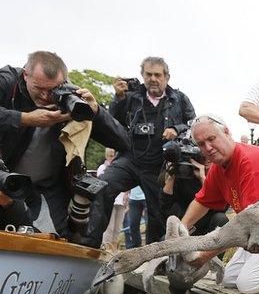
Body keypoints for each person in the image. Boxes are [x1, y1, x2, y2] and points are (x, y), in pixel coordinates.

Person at [0, 51, 129, 237]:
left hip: (50, 189)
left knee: (54, 240)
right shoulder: (7, 81)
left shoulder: (72, 97)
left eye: (51, 90)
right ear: (25, 75)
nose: (45, 96)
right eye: (38, 88)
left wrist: (96, 111)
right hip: (8, 180)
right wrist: (25, 118)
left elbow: (123, 141)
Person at [81, 56, 195, 248]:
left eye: (157, 75)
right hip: (130, 158)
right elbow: (111, 121)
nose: (153, 79)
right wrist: (118, 99)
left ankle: (154, 257)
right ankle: (89, 244)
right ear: (142, 75)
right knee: (103, 187)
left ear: (167, 77)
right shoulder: (131, 97)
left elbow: (193, 125)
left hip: (160, 165)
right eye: (148, 74)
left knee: (158, 211)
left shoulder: (179, 99)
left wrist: (177, 128)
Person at [181, 114, 259, 294]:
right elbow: (202, 201)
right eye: (201, 144)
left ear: (226, 132)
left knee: (249, 284)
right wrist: (181, 228)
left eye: (211, 139)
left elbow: (248, 226)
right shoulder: (220, 165)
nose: (208, 148)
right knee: (230, 279)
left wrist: (203, 256)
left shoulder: (250, 163)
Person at [160, 159, 227, 237]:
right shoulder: (184, 176)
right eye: (202, 155)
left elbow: (221, 207)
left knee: (221, 218)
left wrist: (202, 178)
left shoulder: (219, 174)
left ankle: (215, 248)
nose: (207, 159)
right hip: (188, 226)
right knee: (164, 240)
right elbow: (165, 205)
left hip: (209, 226)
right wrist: (172, 175)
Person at [98, 148, 126, 247]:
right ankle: (106, 247)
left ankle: (114, 247)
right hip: (111, 200)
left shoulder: (122, 167)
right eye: (110, 156)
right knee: (110, 227)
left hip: (121, 200)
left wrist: (127, 195)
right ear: (106, 156)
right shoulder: (103, 168)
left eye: (113, 155)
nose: (112, 158)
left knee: (118, 228)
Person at [124, 184, 146, 248]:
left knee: (149, 223)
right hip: (134, 198)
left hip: (147, 196)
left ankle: (150, 245)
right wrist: (126, 193)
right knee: (133, 224)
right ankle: (137, 247)